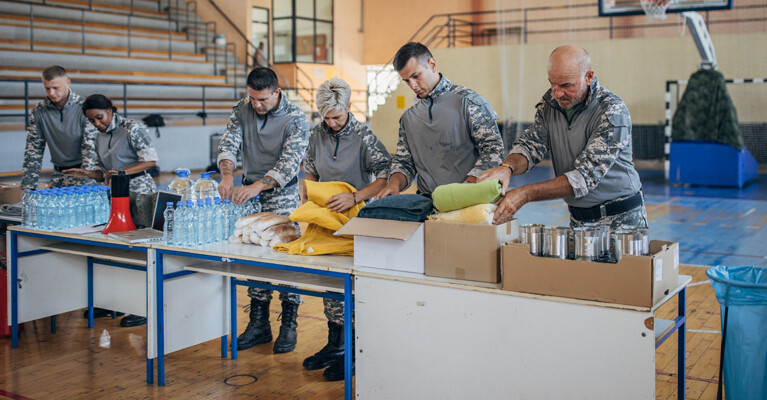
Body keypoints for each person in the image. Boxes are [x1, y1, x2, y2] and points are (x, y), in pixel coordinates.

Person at [478, 45, 646, 229]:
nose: (557, 93)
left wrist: (525, 194)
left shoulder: (611, 111)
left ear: (588, 77)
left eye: (566, 85)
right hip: (579, 219)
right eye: (552, 83)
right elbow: (530, 146)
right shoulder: (549, 104)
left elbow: (583, 177)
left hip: (621, 221)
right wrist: (507, 167)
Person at [302, 77, 391, 381]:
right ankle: (335, 344)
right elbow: (311, 170)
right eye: (326, 117)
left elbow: (386, 177)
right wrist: (308, 199)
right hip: (325, 220)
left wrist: (355, 196)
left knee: (352, 285)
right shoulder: (316, 134)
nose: (332, 122)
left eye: (336, 116)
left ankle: (355, 348)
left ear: (349, 108)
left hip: (355, 220)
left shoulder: (365, 137)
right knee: (330, 284)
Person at [217, 67, 309, 354]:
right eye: (252, 99)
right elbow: (229, 144)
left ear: (277, 93)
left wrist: (258, 186)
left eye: (263, 100)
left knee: (285, 261)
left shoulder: (296, 118)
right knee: (253, 256)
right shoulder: (242, 109)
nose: (257, 105)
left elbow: (288, 163)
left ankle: (288, 323)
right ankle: (259, 323)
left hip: (282, 195)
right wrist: (227, 174)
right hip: (249, 192)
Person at [64, 94, 159, 327]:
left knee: (141, 250)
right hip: (116, 196)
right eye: (92, 121)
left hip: (140, 195)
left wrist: (122, 173)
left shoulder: (131, 128)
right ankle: (112, 302)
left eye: (99, 118)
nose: (97, 124)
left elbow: (150, 161)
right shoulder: (99, 137)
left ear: (110, 110)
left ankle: (144, 306)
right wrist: (88, 174)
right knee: (116, 249)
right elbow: (104, 172)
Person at [376, 42, 504, 199]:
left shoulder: (469, 102)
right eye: (407, 81)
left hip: (471, 201)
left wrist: (467, 188)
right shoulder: (408, 119)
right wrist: (394, 184)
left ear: (432, 64)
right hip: (427, 204)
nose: (413, 85)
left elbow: (494, 150)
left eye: (416, 76)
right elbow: (404, 162)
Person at [20, 65, 98, 193]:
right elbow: (33, 151)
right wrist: (27, 186)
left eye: (56, 88)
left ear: (67, 83)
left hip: (85, 174)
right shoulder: (39, 112)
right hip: (59, 175)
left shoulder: (85, 108)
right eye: (47, 88)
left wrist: (87, 183)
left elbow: (90, 149)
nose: (51, 93)